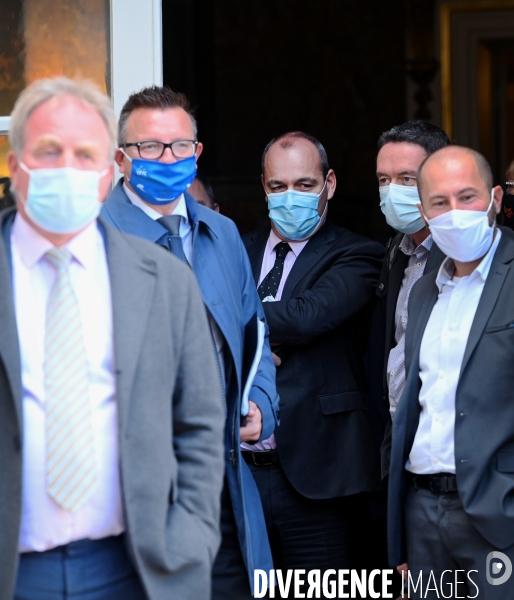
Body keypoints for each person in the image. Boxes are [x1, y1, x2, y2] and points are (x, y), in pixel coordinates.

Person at [0, 77, 225, 600]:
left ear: (108, 173)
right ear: (15, 167)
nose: (66, 168)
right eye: (48, 151)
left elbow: (199, 423)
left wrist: (189, 538)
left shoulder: (165, 281)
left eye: (85, 155)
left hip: (133, 570)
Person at [100, 85, 279, 600]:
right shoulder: (92, 242)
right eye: (150, 147)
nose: (167, 157)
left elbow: (255, 336)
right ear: (121, 158)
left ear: (197, 152)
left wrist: (262, 403)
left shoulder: (223, 235)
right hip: (131, 502)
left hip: (223, 494)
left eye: (180, 146)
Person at [242, 131, 384, 597]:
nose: (291, 197)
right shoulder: (234, 250)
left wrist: (238, 326)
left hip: (319, 479)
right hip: (239, 473)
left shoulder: (357, 254)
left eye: (305, 184)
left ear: (331, 184)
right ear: (263, 186)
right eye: (278, 186)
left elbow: (307, 318)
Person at [388, 145, 514, 599]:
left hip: (498, 516)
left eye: (468, 197)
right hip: (423, 513)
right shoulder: (424, 290)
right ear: (424, 212)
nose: (455, 213)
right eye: (440, 203)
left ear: (496, 199)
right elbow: (412, 406)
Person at [374, 121, 450, 482]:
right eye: (383, 180)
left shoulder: (464, 257)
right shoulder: (397, 252)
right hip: (402, 455)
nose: (392, 191)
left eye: (406, 179)